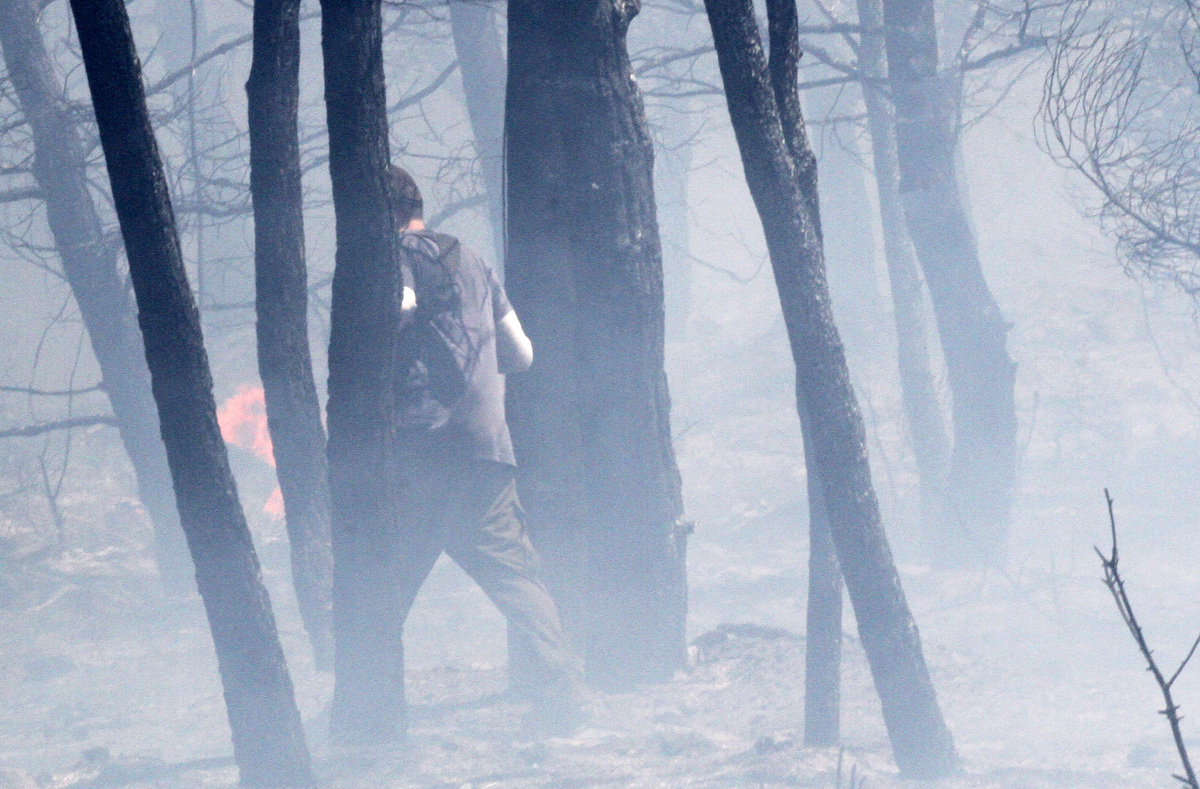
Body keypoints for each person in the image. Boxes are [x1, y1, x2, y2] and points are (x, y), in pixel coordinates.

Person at [386, 165, 586, 735]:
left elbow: (398, 308)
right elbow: (522, 355)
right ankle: (565, 692)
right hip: (486, 446)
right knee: (516, 576)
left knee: (384, 583)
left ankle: (366, 707)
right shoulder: (470, 259)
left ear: (384, 214)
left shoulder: (395, 253)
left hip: (424, 446)